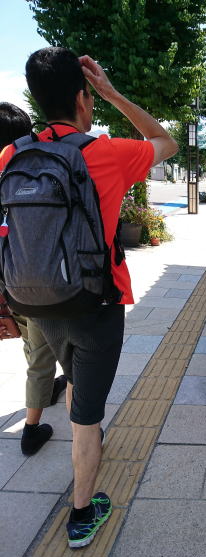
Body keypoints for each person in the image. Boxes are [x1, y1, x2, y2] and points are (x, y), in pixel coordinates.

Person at [0, 47, 178, 548]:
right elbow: (166, 142)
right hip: (97, 305)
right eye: (91, 96)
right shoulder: (107, 153)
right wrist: (113, 93)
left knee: (77, 382)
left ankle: (86, 433)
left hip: (37, 303)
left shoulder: (12, 156)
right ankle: (82, 514)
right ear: (83, 97)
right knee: (87, 418)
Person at [0, 102, 67, 456]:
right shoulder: (33, 174)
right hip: (34, 282)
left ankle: (46, 390)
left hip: (7, 284)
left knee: (31, 344)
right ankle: (30, 429)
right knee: (41, 356)